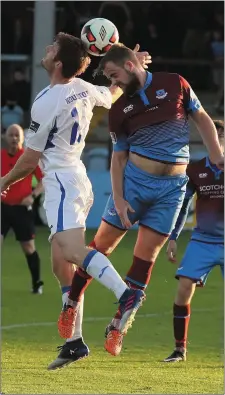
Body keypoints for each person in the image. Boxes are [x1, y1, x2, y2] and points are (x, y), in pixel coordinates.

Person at [60, 43, 224, 365]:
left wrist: (216, 154)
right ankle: (72, 300)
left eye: (114, 75)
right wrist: (119, 198)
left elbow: (202, 117)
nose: (114, 83)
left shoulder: (175, 83)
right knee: (102, 246)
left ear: (131, 65)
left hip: (173, 188)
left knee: (145, 257)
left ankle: (119, 323)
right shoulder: (120, 109)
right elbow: (118, 157)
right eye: (109, 78)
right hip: (135, 184)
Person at [0, 33, 151, 370]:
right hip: (75, 178)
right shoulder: (84, 87)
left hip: (62, 181)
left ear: (57, 62)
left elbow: (29, 158)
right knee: (60, 264)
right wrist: (134, 67)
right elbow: (111, 94)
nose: (47, 48)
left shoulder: (47, 99)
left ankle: (126, 294)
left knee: (70, 252)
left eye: (52, 47)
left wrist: (5, 181)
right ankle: (74, 343)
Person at [164, 120, 224, 363]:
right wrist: (173, 237)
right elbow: (182, 206)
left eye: (219, 137)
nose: (215, 141)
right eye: (211, 136)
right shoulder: (195, 170)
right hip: (202, 241)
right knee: (183, 289)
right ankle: (180, 350)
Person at [1, 124, 44, 294]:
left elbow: (43, 181)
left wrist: (32, 196)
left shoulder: (28, 159)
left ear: (22, 138)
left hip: (22, 209)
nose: (13, 138)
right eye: (10, 135)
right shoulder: (0, 156)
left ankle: (37, 283)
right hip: (2, 208)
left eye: (16, 135)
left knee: (28, 248)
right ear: (5, 137)